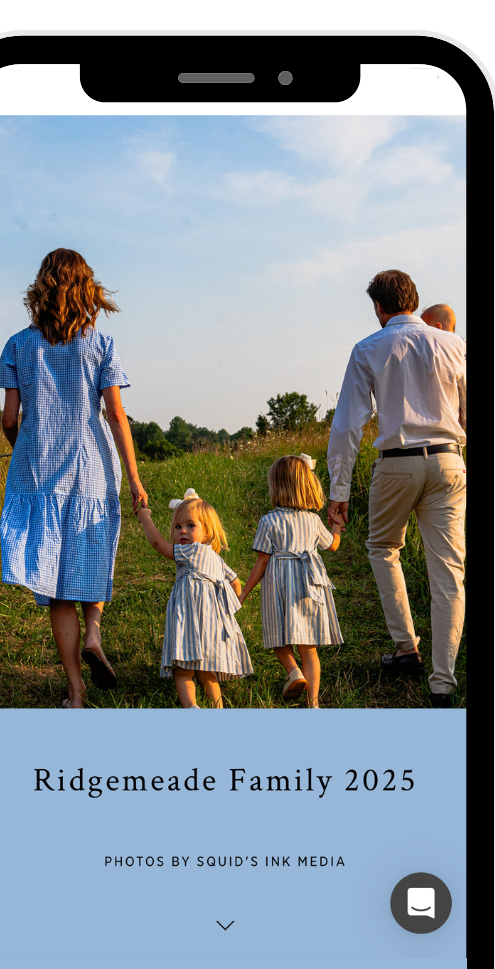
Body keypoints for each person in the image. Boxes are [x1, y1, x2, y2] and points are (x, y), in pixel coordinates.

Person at [0, 248, 148, 708]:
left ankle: (77, 694)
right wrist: (136, 479)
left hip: (40, 469)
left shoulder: (18, 345)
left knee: (57, 583)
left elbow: (8, 419)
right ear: (87, 290)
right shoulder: (101, 345)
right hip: (92, 468)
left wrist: (21, 448)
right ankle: (95, 633)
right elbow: (117, 416)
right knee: (93, 555)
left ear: (40, 288)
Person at [327, 270, 467, 707]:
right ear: (414, 299)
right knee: (449, 574)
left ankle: (406, 648)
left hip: (397, 463)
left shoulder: (369, 347)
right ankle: (442, 682)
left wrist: (339, 489)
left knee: (383, 548)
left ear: (379, 308)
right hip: (449, 460)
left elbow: (349, 424)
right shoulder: (454, 344)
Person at [240, 455, 343, 709]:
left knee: (277, 639)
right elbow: (333, 546)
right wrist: (337, 526)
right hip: (309, 585)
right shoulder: (313, 520)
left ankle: (293, 671)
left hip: (280, 586)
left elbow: (261, 562)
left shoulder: (268, 521)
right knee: (309, 648)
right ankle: (314, 704)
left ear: (276, 487)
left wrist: (243, 593)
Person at [133, 490, 252, 708]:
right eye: (178, 527)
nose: (183, 531)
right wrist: (229, 607)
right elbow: (236, 583)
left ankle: (191, 708)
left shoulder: (190, 551)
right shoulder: (216, 558)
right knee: (208, 673)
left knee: (183, 670)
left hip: (190, 619)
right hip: (212, 623)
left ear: (207, 532)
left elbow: (158, 544)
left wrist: (145, 518)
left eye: (190, 525)